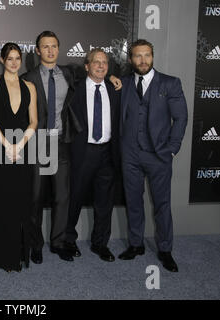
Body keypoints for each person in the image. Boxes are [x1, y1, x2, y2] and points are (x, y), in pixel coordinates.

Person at [22, 31, 122, 264]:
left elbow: (98, 74)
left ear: (58, 49)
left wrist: (114, 77)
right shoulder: (27, 78)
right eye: (45, 47)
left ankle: (58, 243)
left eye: (54, 46)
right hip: (37, 143)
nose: (50, 50)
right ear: (38, 51)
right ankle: (35, 245)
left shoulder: (68, 74)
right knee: (35, 198)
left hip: (62, 143)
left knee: (62, 198)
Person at [118, 39, 187, 272]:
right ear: (130, 59)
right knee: (134, 202)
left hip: (159, 155)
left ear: (153, 57)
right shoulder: (124, 83)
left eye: (147, 55)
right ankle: (136, 244)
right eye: (138, 56)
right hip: (130, 155)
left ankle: (165, 249)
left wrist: (173, 147)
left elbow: (181, 118)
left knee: (162, 204)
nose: (143, 60)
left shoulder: (170, 83)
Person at [0, 43, 38, 272]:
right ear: (2, 60)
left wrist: (20, 146)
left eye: (18, 58)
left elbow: (33, 121)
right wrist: (7, 145)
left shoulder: (30, 87)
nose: (15, 62)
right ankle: (5, 256)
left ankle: (20, 253)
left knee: (21, 203)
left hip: (23, 150)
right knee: (2, 203)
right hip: (0, 148)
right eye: (10, 58)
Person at [65, 48, 121, 263]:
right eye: (96, 62)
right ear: (86, 66)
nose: (101, 66)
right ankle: (69, 240)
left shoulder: (115, 88)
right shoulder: (75, 89)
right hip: (83, 152)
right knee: (75, 198)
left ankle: (100, 244)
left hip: (107, 152)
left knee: (104, 202)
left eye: (104, 62)